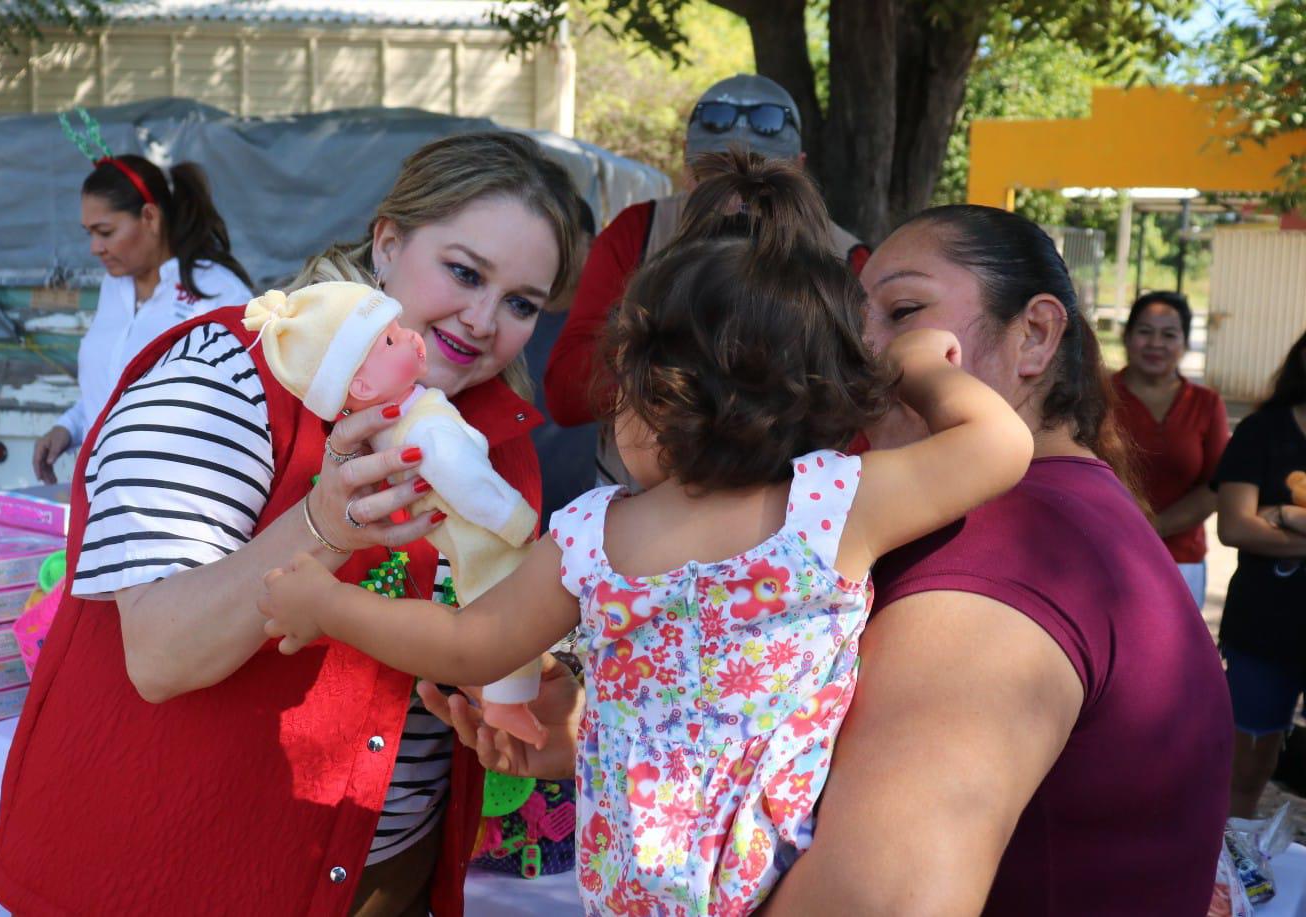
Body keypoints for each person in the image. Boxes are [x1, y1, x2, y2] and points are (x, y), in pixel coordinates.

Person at [258, 156, 1033, 916]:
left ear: (649, 387)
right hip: (775, 879)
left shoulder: (596, 534)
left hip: (627, 890)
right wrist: (914, 366)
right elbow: (1000, 445)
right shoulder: (835, 507)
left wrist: (326, 603)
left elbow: (468, 643)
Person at [425, 204, 1234, 915]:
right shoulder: (1052, 517)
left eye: (903, 311)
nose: (861, 349)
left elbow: (878, 902)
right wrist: (622, 728)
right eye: (853, 321)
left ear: (1037, 334)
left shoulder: (1000, 564)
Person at [0, 132, 581, 917]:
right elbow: (160, 654)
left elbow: (465, 655)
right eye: (464, 272)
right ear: (389, 242)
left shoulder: (491, 443)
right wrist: (325, 522)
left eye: (520, 304)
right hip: (169, 882)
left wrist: (531, 688)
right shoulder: (227, 369)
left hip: (378, 880)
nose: (482, 320)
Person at [544, 73, 869, 489]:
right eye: (713, 173)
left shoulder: (847, 258)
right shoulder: (638, 231)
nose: (737, 197)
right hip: (640, 503)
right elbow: (567, 395)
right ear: (686, 167)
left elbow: (861, 405)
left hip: (785, 507)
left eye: (765, 176)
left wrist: (662, 354)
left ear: (799, 169)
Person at [32, 154, 253, 483]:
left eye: (105, 232)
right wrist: (69, 426)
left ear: (149, 217)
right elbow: (110, 387)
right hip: (100, 492)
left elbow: (247, 410)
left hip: (175, 497)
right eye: (88, 233)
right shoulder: (113, 287)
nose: (95, 247)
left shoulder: (220, 294)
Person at [1212, 329, 1306, 818]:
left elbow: (1254, 522)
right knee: (1245, 770)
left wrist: (1285, 515)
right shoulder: (1261, 431)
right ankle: (1233, 875)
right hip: (1264, 625)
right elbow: (1233, 526)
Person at [1112, 291, 1229, 606]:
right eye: (1145, 332)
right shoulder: (1097, 397)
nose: (1156, 344)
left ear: (1186, 343)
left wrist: (1153, 528)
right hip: (1104, 550)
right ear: (1127, 336)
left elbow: (1216, 487)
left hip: (1181, 559)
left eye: (1169, 334)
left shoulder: (1206, 404)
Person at [525, 197, 599, 519]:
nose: (559, 253)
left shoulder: (612, 329)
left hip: (576, 529)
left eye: (569, 240)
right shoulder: (507, 320)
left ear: (592, 246)